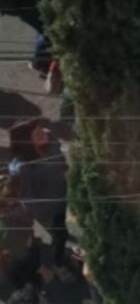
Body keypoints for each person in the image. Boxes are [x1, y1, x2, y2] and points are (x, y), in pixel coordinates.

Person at [8, 119, 68, 284]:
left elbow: (61, 161)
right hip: (48, 209)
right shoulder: (23, 168)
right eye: (36, 133)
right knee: (56, 235)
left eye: (40, 129)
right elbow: (31, 200)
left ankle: (58, 254)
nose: (43, 133)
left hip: (64, 196)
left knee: (62, 231)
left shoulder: (50, 143)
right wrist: (46, 213)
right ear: (27, 142)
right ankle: (55, 263)